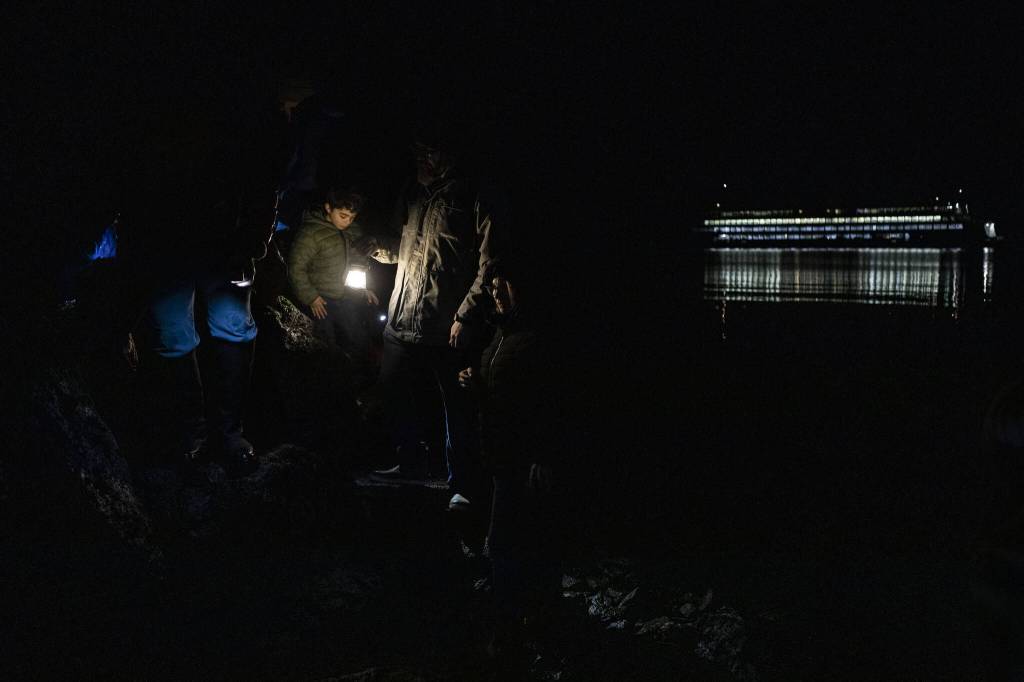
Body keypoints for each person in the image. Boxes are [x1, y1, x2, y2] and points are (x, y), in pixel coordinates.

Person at [121, 93, 281, 477]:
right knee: (175, 335)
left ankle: (226, 434)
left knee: (232, 331)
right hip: (169, 251)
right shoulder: (159, 134)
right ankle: (191, 437)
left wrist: (251, 246)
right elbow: (132, 195)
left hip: (223, 247)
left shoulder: (236, 134)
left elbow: (263, 188)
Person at [366, 122, 507, 513]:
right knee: (393, 387)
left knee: (457, 406)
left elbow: (489, 261)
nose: (421, 159)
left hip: (445, 323)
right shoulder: (418, 193)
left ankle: (462, 483)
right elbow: (416, 248)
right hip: (403, 315)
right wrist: (386, 251)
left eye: (429, 152)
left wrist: (466, 313)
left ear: (448, 154)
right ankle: (409, 459)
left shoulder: (473, 195)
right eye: (417, 152)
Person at [457, 260, 559, 661]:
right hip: (501, 456)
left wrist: (546, 455)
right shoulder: (502, 334)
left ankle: (511, 626)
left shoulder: (536, 338)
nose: (497, 292)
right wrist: (475, 379)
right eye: (494, 286)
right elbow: (503, 394)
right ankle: (530, 617)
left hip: (523, 460)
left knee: (508, 541)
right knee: (521, 539)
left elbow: (551, 402)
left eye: (506, 286)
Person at [287, 187, 380, 387]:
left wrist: (364, 288)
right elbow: (296, 268)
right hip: (321, 301)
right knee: (325, 344)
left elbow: (358, 262)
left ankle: (358, 383)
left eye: (352, 218)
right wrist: (310, 297)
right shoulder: (311, 233)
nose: (347, 222)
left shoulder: (352, 232)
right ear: (329, 208)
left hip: (346, 297)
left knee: (358, 339)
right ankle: (326, 386)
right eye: (343, 216)